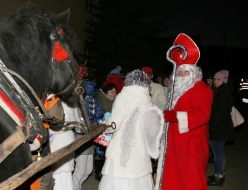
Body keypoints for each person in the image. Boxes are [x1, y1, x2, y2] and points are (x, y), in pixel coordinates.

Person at [155, 33, 213, 190]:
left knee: (191, 178)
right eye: (179, 72)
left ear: (194, 72)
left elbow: (203, 115)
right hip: (174, 141)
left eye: (185, 72)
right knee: (173, 176)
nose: (182, 75)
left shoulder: (203, 90)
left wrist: (173, 117)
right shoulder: (175, 91)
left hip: (191, 143)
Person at [98, 69, 164, 190]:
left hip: (123, 147)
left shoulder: (123, 97)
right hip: (140, 149)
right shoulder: (147, 99)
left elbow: (114, 123)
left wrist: (104, 126)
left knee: (120, 178)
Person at [72, 79, 103, 190]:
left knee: (89, 170)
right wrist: (86, 125)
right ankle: (73, 187)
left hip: (91, 138)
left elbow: (98, 114)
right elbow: (77, 118)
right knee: (80, 169)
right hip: (82, 137)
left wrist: (94, 123)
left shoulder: (94, 101)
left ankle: (77, 186)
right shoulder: (78, 102)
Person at [207, 70, 234, 186]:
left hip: (219, 128)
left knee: (218, 153)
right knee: (217, 152)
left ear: (224, 80)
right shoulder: (221, 91)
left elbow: (220, 112)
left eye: (219, 79)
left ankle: (219, 177)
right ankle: (218, 174)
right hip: (220, 128)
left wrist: (212, 125)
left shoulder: (223, 93)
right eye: (215, 79)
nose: (216, 81)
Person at [94, 82, 117, 181]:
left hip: (110, 129)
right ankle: (98, 172)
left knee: (108, 151)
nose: (114, 94)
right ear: (105, 92)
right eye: (111, 92)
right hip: (102, 129)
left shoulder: (112, 101)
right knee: (100, 152)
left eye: (115, 92)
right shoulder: (101, 101)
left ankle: (105, 172)